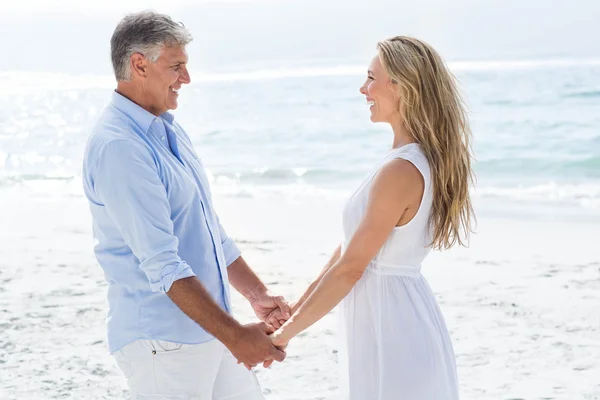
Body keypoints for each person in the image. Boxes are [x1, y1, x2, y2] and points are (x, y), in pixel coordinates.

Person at [82, 11, 289, 399]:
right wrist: (236, 336)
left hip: (211, 329)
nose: (187, 79)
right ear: (139, 65)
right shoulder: (120, 147)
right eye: (176, 67)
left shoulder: (167, 130)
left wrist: (256, 295)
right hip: (164, 343)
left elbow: (208, 230)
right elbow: (162, 263)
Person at [270, 36, 475, 400]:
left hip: (393, 327)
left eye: (370, 78)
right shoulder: (404, 160)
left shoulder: (401, 169)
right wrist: (295, 310)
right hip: (389, 316)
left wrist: (283, 337)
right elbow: (350, 249)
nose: (363, 88)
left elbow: (352, 268)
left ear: (401, 86)